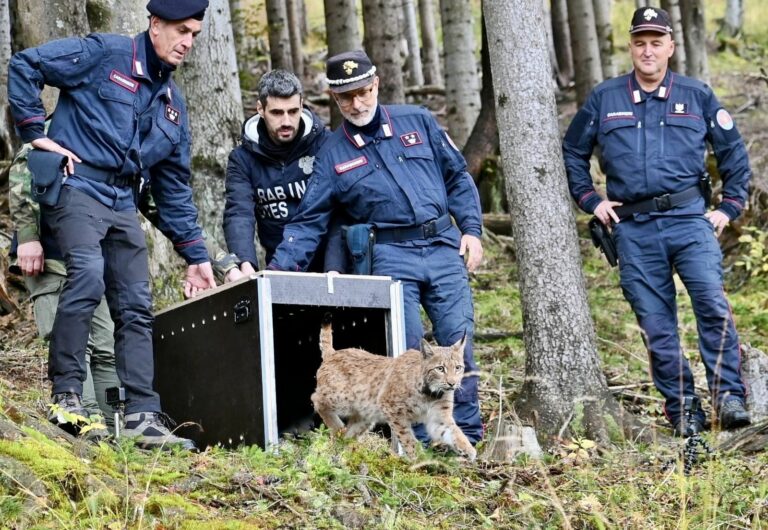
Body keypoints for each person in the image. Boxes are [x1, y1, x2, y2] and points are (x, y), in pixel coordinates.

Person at [7, 0, 217, 450]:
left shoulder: (172, 106)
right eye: (181, 30)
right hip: (77, 186)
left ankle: (141, 415)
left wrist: (196, 255)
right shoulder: (105, 54)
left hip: (124, 200)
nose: (187, 42)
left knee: (137, 305)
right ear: (155, 24)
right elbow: (26, 64)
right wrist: (35, 136)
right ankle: (66, 397)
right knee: (86, 275)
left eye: (195, 35)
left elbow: (174, 188)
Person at [267, 50, 485, 445]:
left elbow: (456, 177)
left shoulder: (416, 120)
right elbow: (308, 221)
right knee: (407, 354)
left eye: (364, 92)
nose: (357, 103)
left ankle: (464, 436)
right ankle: (417, 442)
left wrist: (471, 229)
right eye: (346, 97)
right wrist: (275, 274)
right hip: (390, 256)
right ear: (334, 99)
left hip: (442, 246)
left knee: (457, 341)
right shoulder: (332, 154)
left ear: (377, 85)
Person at [562, 7, 752, 436]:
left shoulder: (697, 95)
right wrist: (591, 199)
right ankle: (683, 406)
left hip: (689, 221)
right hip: (633, 229)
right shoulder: (605, 98)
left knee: (711, 306)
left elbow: (734, 156)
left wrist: (727, 208)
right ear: (631, 47)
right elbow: (573, 151)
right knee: (656, 323)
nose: (647, 51)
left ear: (670, 47)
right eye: (639, 42)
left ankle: (728, 396)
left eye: (655, 42)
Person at [224, 70, 334, 273]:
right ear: (260, 109)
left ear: (302, 105)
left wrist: (336, 267)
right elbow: (239, 213)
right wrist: (244, 264)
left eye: (293, 111)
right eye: (276, 113)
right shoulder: (242, 159)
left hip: (329, 263)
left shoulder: (325, 145)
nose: (286, 121)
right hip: (278, 266)